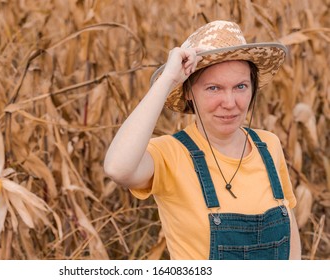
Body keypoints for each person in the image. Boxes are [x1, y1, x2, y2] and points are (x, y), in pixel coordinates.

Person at [104, 20, 301, 260]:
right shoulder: (171, 154)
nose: (230, 103)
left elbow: (290, 239)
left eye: (240, 86)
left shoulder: (269, 146)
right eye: (213, 88)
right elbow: (117, 168)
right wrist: (167, 80)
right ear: (188, 91)